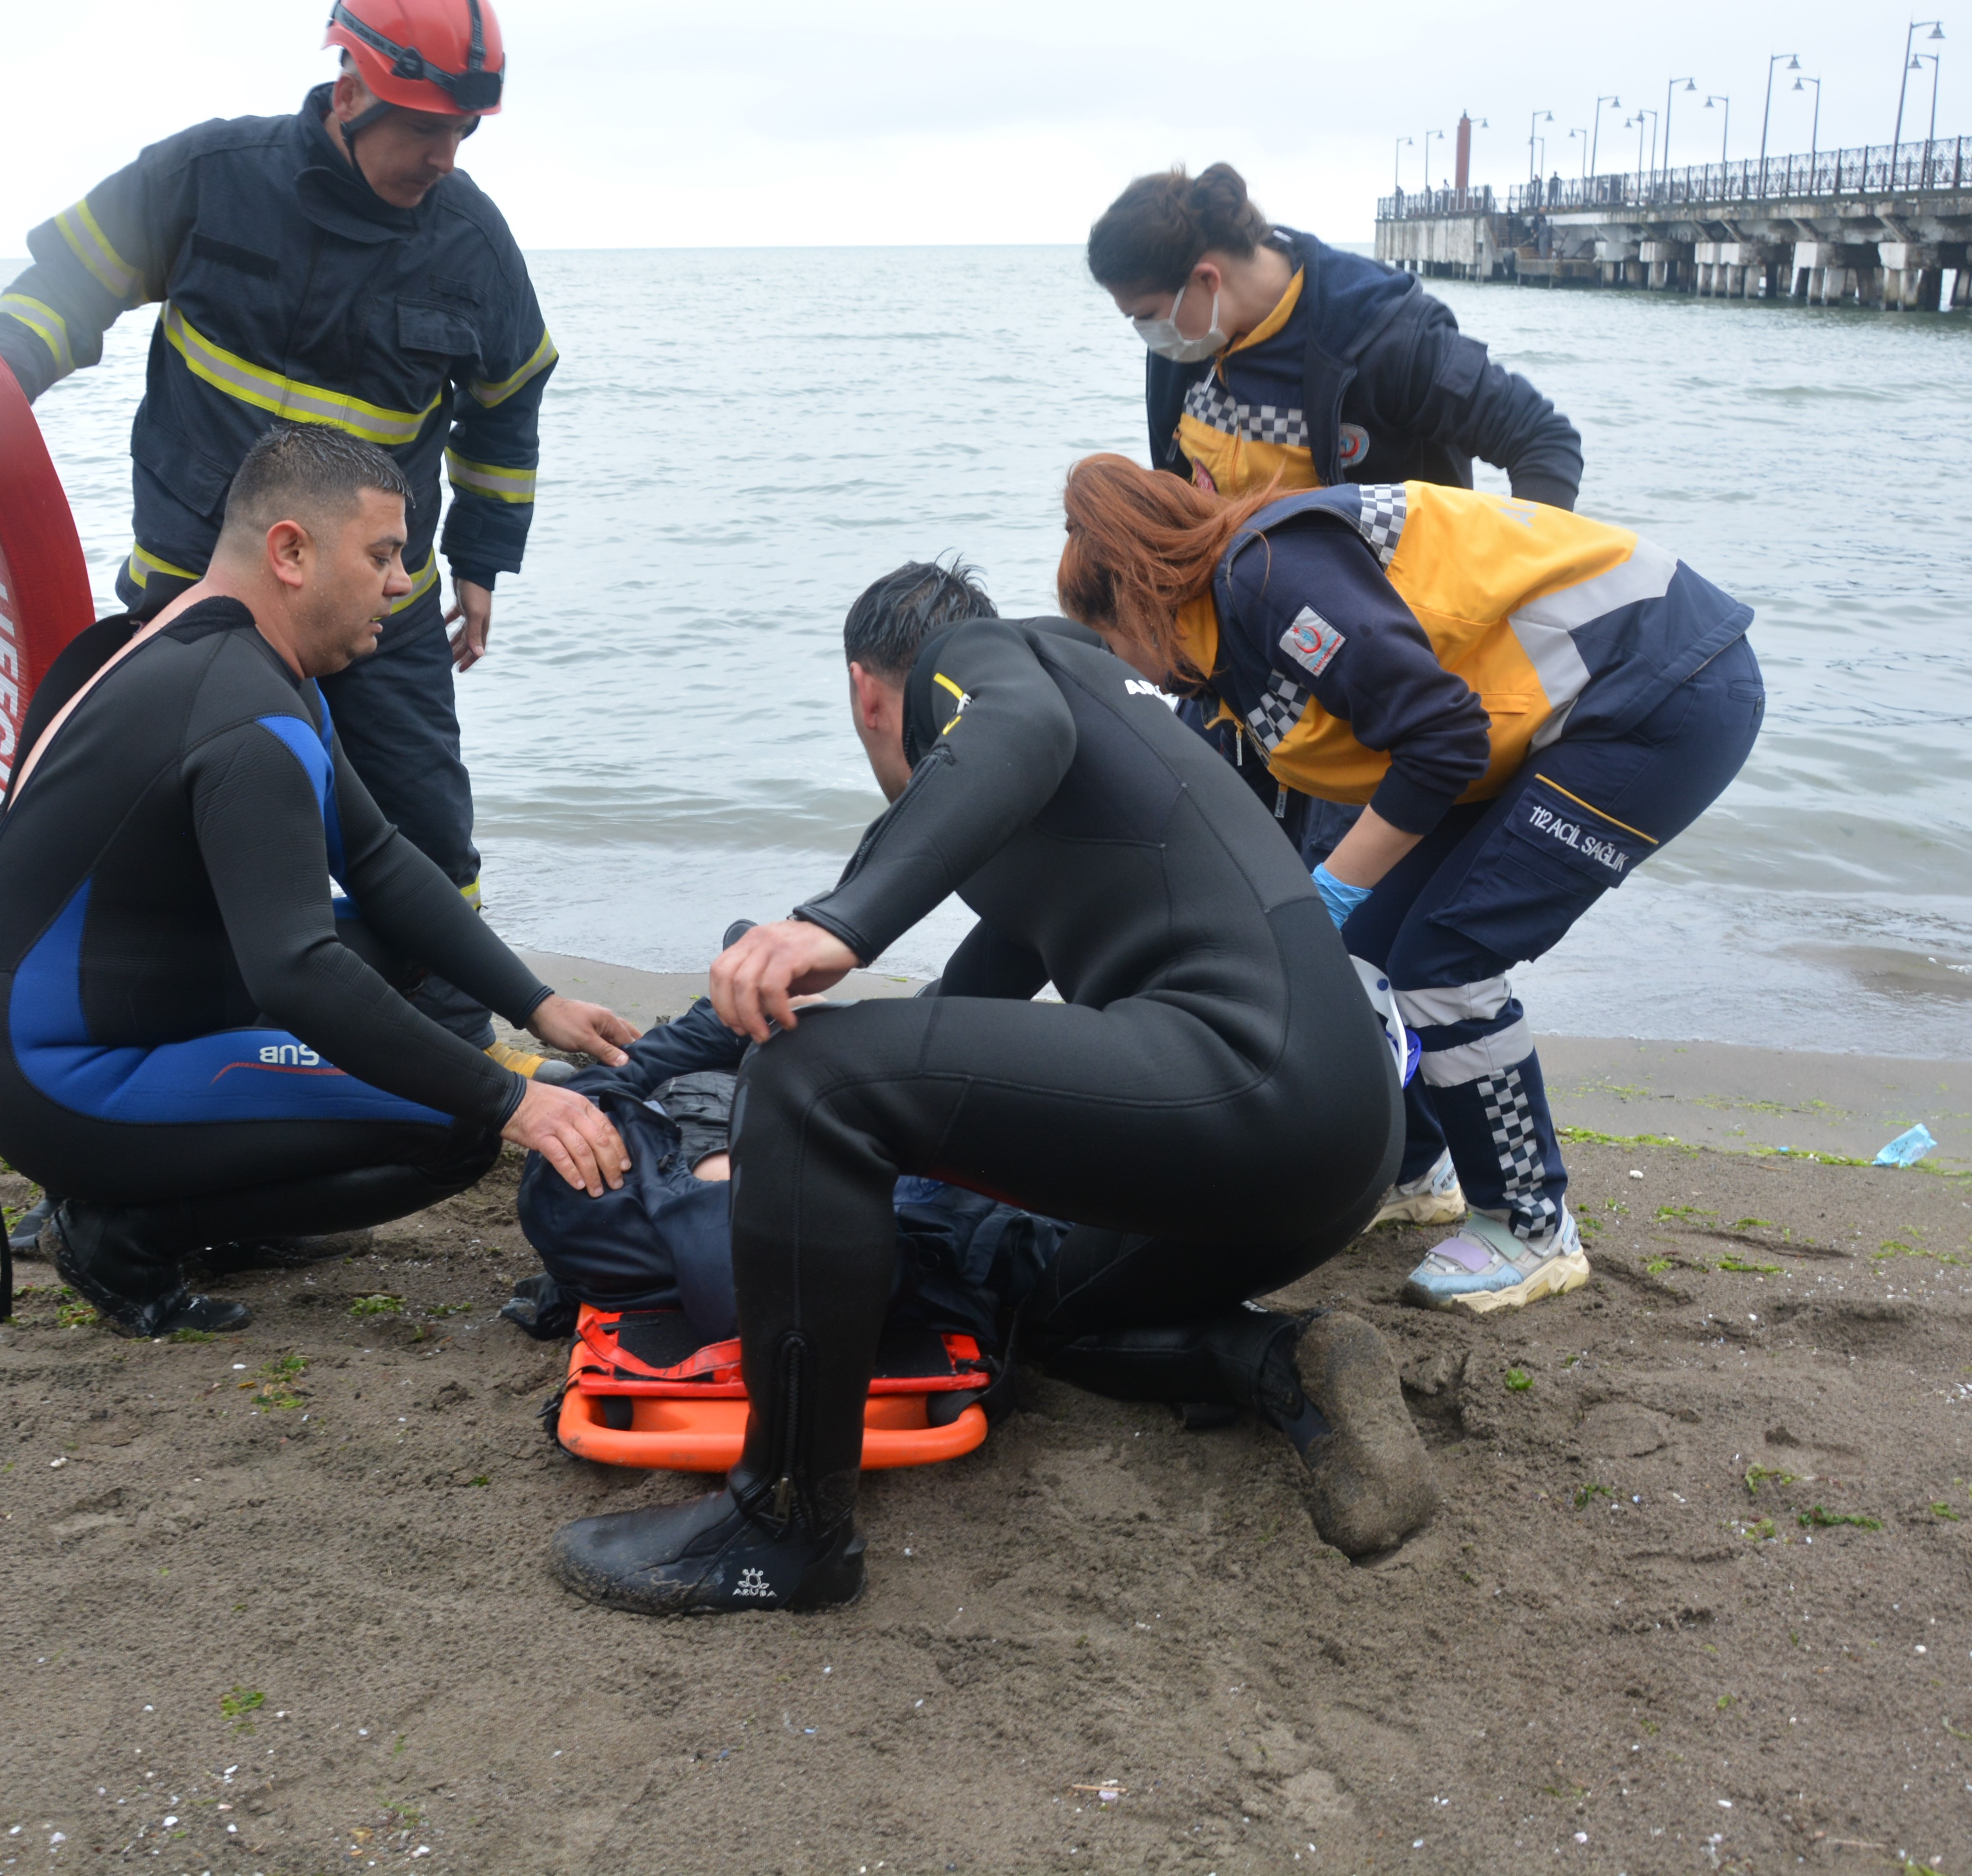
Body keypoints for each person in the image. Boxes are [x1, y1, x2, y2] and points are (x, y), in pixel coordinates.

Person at [547, 560, 1441, 1617]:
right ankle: (1279, 1357)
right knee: (1041, 1309)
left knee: (809, 1086)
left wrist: (843, 919)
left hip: (1252, 1079)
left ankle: (786, 1525)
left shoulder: (992, 660)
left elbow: (1014, 728)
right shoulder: (1084, 767)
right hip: (1337, 1144)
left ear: (867, 692)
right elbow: (953, 1031)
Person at [0, 0, 555, 1068]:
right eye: (425, 128)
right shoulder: (210, 175)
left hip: (374, 605)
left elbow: (511, 395)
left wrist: (481, 556)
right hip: (195, 594)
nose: (445, 156)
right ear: (349, 91)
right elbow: (64, 289)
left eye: (466, 134)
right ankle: (170, 1030)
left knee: (424, 827)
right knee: (163, 831)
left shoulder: (472, 244)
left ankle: (450, 1037)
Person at [0, 424, 638, 1338]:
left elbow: (384, 862)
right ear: (291, 552)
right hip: (68, 1083)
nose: (403, 582)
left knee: (400, 947)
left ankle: (208, 1191)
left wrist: (538, 1003)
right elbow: (297, 971)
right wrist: (511, 1097)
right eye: (385, 554)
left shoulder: (242, 661)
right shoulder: (245, 719)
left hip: (90, 1016)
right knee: (457, 1128)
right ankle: (126, 1229)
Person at [1051, 456, 1761, 1319]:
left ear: (1133, 598)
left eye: (1108, 641)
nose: (1130, 671)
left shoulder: (1270, 578)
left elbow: (1442, 739)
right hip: (1546, 722)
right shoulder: (1218, 654)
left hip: (1659, 688)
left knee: (1445, 962)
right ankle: (1420, 1167)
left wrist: (1333, 888)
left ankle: (1532, 1225)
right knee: (1368, 951)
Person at [1088, 162, 1584, 509]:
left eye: (1146, 315)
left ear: (1206, 279)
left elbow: (1542, 438)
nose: (1147, 333)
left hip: (1375, 626)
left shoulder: (1387, 337)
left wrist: (1514, 587)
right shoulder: (1188, 339)